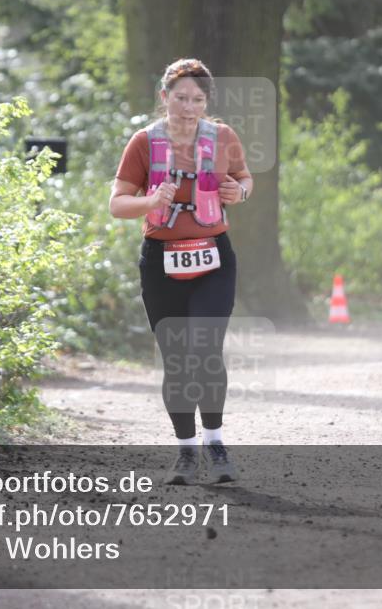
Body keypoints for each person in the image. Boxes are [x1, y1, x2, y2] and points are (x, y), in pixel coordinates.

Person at [109, 58, 253, 484]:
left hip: (213, 256)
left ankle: (216, 443)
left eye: (197, 99)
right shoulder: (143, 142)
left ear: (206, 102)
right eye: (180, 98)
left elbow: (244, 178)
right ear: (164, 97)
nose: (188, 107)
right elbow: (117, 203)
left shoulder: (223, 137)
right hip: (161, 260)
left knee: (206, 351)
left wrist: (239, 190)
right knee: (176, 360)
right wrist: (150, 203)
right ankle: (186, 451)